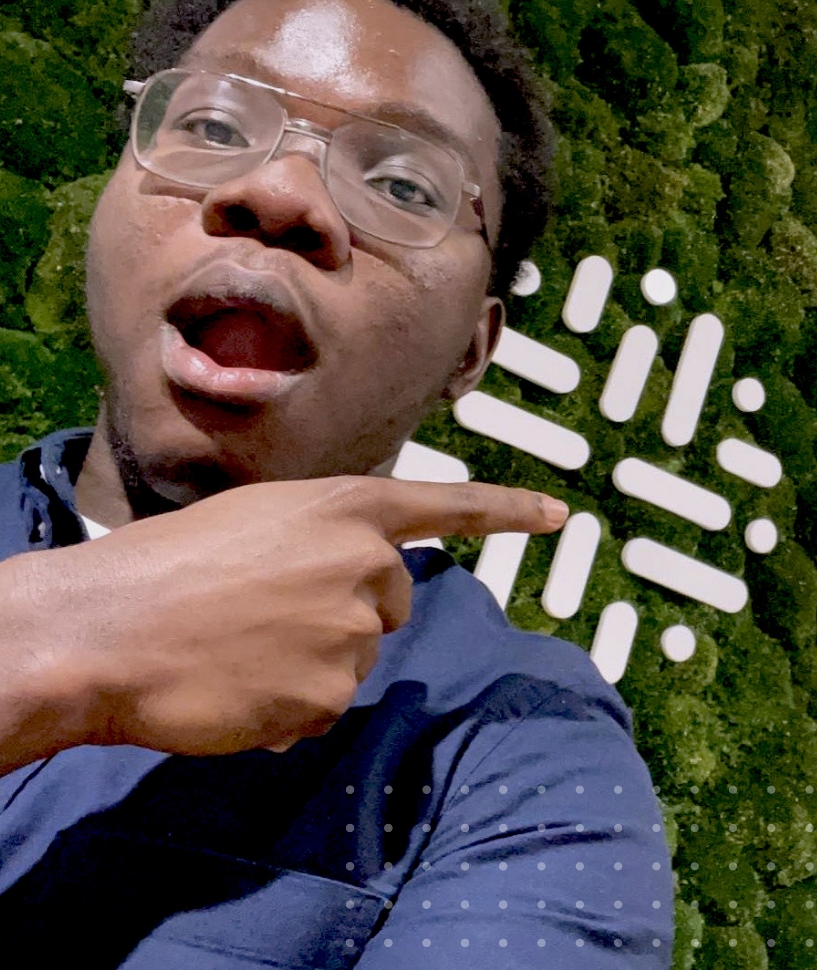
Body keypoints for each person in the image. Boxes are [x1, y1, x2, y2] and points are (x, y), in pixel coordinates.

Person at [0, 0, 674, 965]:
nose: (277, 192)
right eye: (214, 126)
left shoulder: (516, 747)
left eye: (403, 185)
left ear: (470, 352)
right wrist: (45, 641)